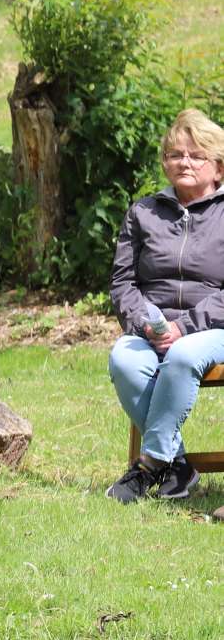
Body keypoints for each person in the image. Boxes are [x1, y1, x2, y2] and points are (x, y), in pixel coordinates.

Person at [106, 108, 224, 503]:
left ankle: (150, 464)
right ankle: (179, 466)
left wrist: (184, 327)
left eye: (196, 155)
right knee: (124, 360)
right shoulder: (143, 212)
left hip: (213, 329)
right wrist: (147, 325)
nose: (185, 162)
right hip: (152, 329)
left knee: (183, 355)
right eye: (176, 154)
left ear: (218, 168)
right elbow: (123, 283)